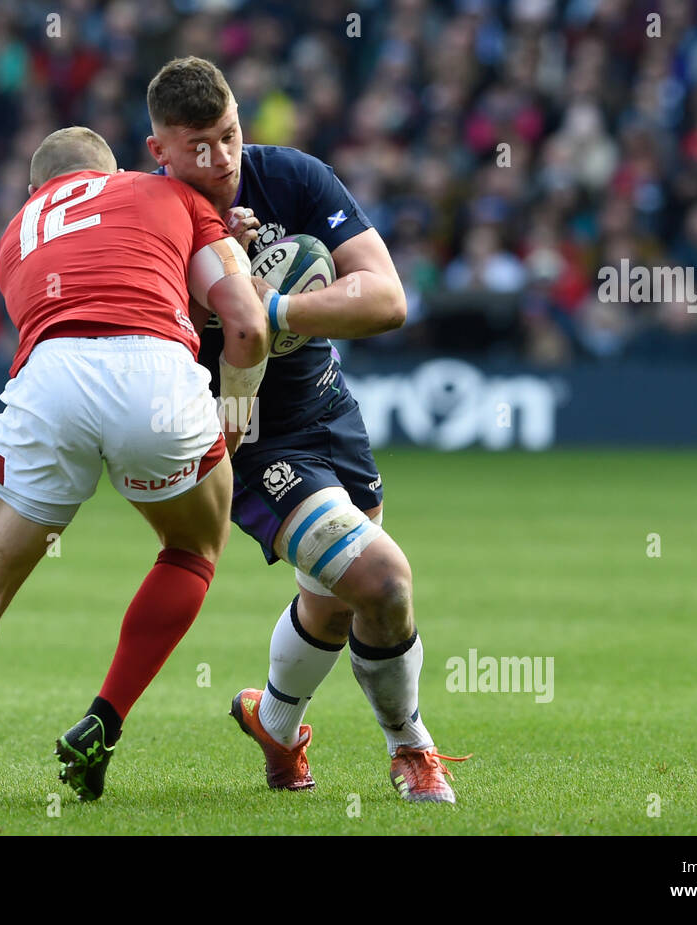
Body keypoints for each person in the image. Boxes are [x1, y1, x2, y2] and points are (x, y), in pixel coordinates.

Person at [0, 126, 268, 808]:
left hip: (52, 377)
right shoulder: (165, 192)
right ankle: (105, 718)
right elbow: (242, 323)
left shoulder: (18, 231)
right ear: (115, 170)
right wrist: (234, 416)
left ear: (38, 190)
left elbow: (86, 297)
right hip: (157, 376)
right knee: (192, 549)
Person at [143, 58, 470, 803]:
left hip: (330, 411)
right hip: (249, 435)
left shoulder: (292, 177)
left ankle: (277, 728)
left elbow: (387, 299)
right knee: (381, 581)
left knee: (332, 597)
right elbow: (154, 342)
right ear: (158, 149)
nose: (220, 159)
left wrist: (275, 306)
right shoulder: (148, 216)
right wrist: (218, 285)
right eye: (198, 146)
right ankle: (411, 746)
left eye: (228, 135)